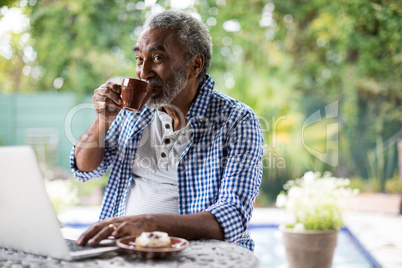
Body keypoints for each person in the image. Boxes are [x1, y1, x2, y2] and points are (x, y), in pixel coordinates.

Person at [70, 10, 263, 251]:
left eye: (158, 58)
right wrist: (103, 120)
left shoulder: (237, 120)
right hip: (127, 251)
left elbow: (232, 216)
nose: (143, 72)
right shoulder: (133, 111)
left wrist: (149, 223)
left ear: (195, 65)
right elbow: (84, 169)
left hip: (201, 258)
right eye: (140, 59)